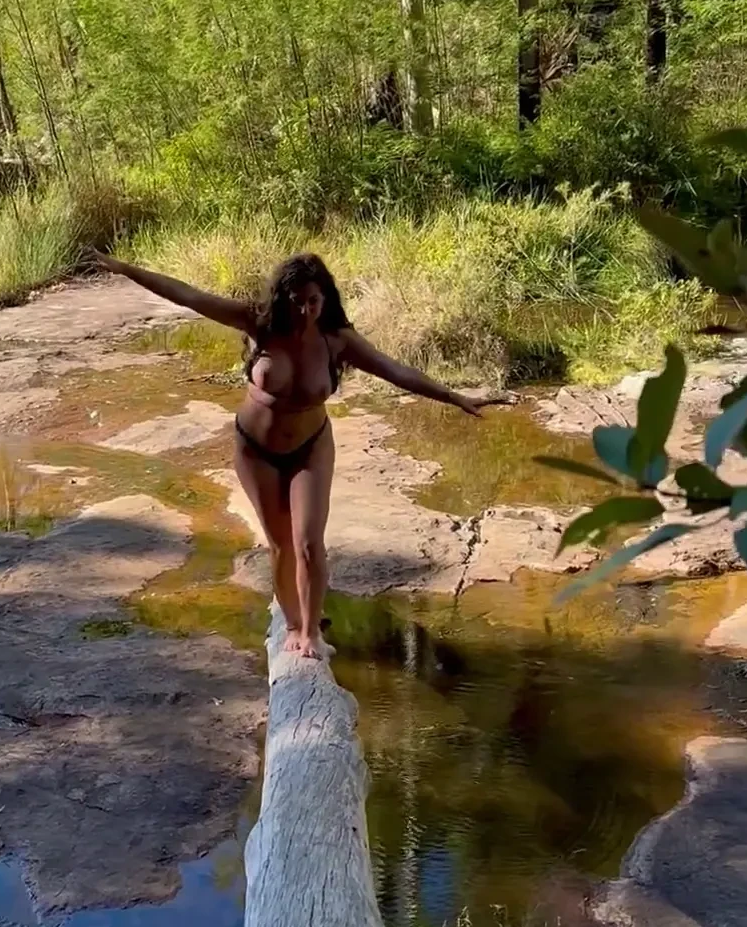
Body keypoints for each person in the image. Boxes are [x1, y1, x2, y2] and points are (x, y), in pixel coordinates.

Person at [93, 249, 499, 658]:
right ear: (282, 297)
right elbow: (186, 295)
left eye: (313, 301)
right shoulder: (258, 323)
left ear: (325, 300)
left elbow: (396, 371)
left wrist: (454, 396)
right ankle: (289, 622)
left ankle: (311, 632)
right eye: (296, 301)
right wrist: (125, 269)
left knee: (308, 543)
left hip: (311, 448)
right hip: (255, 450)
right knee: (280, 544)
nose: (304, 310)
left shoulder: (337, 340)